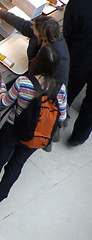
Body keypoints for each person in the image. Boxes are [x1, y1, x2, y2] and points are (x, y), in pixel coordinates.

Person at [0, 46, 67, 205]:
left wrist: (0, 85)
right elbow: (61, 115)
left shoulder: (24, 82)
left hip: (13, 129)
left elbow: (4, 102)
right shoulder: (60, 88)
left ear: (38, 61)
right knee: (16, 165)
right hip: (37, 135)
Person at [0, 4, 69, 86]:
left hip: (41, 89)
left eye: (34, 28)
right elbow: (23, 25)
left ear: (42, 35)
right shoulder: (47, 35)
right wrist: (1, 12)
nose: (31, 27)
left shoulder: (53, 55)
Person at [63, 0, 92, 146]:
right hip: (81, 59)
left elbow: (66, 35)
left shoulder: (78, 4)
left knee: (68, 92)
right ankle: (78, 137)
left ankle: (58, 120)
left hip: (79, 60)